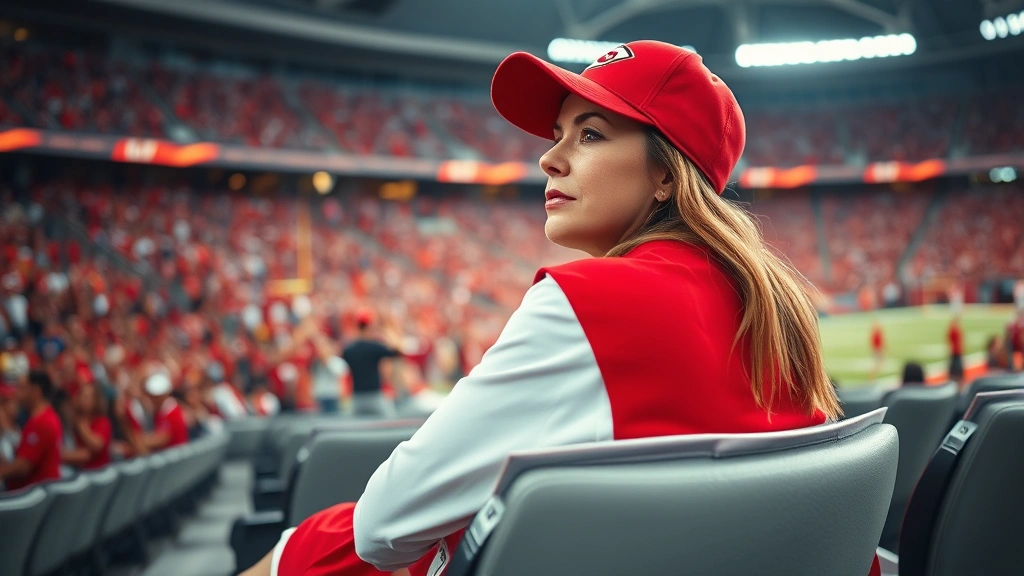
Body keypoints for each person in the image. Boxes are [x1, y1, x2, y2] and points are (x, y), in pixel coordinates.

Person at [242, 40, 841, 576]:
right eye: (558, 135)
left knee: (311, 548)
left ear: (665, 172)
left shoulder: (588, 303)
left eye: (591, 133)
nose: (548, 159)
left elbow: (382, 526)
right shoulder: (772, 307)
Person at [0, 371, 63, 490]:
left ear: (36, 391)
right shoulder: (42, 417)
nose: (17, 393)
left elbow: (23, 466)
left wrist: (2, 471)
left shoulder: (42, 422)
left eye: (23, 388)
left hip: (34, 495)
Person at [342, 310, 400, 417]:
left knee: (352, 428)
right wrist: (385, 333)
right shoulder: (374, 347)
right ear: (369, 327)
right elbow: (397, 351)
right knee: (392, 421)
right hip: (374, 396)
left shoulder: (349, 349)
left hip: (356, 398)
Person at [61, 381, 112, 470]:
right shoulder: (72, 419)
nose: (85, 399)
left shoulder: (102, 421)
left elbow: (95, 447)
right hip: (78, 471)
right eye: (83, 395)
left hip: (97, 472)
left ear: (96, 400)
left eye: (89, 397)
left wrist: (82, 427)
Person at [140, 372, 189, 451]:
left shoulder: (172, 411)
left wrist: (139, 440)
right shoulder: (160, 410)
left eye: (157, 396)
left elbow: (163, 438)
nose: (153, 399)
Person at [948, 316, 964, 383]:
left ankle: (955, 377)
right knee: (956, 365)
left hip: (956, 350)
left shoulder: (954, 329)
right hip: (956, 351)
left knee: (954, 365)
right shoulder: (954, 330)